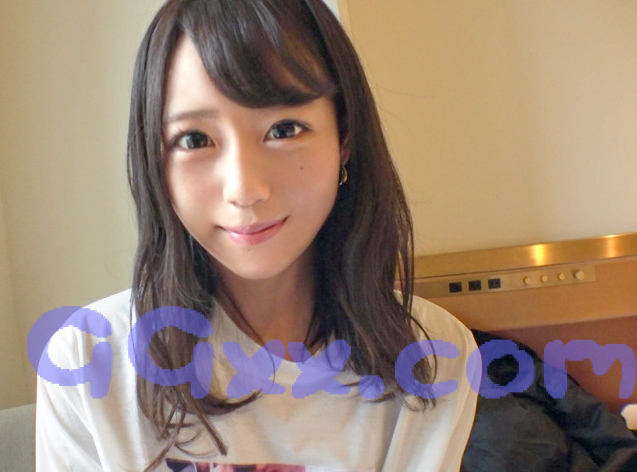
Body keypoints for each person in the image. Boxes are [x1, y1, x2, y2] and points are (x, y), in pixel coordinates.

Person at [36, 0, 479, 470]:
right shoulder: (86, 360)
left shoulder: (435, 357)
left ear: (345, 138)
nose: (244, 189)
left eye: (284, 129)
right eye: (194, 139)